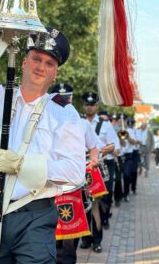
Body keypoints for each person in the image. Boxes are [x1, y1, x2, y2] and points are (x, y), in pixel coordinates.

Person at [0, 28, 86, 264]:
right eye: (36, 58)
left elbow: (75, 172)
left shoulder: (64, 113)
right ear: (23, 62)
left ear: (55, 73)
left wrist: (25, 165)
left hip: (34, 216)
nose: (41, 67)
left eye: (49, 63)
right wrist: (2, 41)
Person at [50, 83, 100, 264]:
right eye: (58, 98)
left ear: (70, 98)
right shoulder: (43, 119)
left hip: (73, 189)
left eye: (66, 98)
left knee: (70, 243)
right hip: (50, 188)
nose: (63, 101)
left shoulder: (82, 122)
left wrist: (93, 159)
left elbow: (94, 147)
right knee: (52, 239)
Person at [79, 92, 119, 253]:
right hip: (80, 168)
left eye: (92, 104)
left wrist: (98, 150)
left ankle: (97, 239)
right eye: (87, 104)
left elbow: (114, 145)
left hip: (97, 168)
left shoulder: (105, 125)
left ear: (97, 106)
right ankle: (85, 238)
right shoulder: (77, 122)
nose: (89, 107)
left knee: (96, 204)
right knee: (83, 203)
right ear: (84, 106)